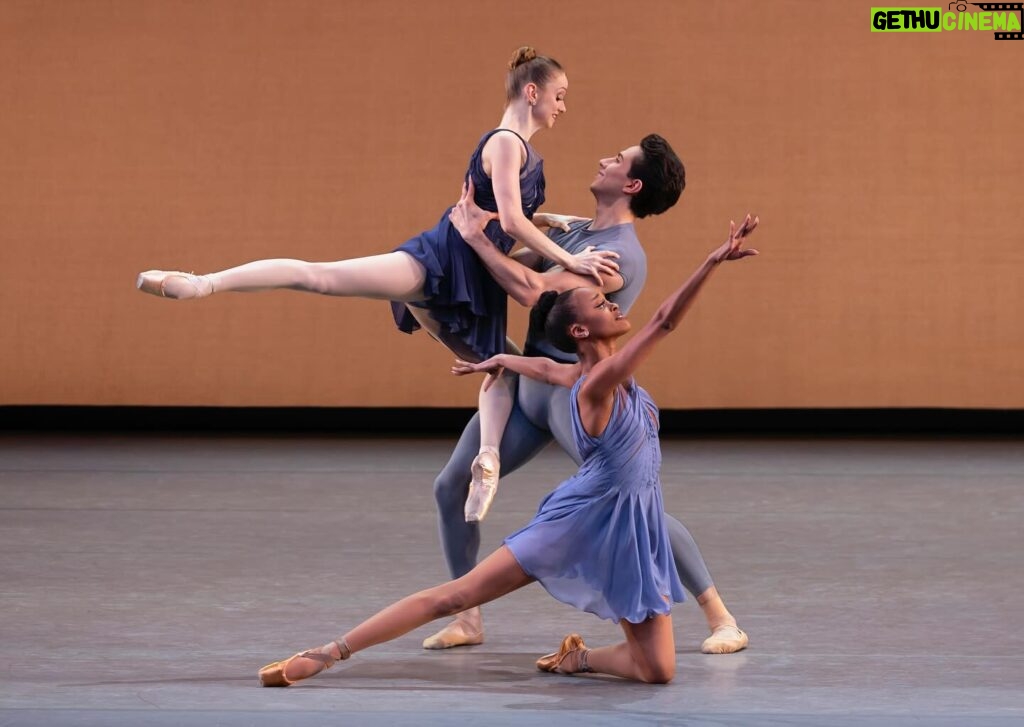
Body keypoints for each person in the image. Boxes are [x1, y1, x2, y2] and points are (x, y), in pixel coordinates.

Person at [256, 212, 759, 687]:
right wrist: (712, 261)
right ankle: (324, 654)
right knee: (456, 595)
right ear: (580, 331)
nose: (612, 302)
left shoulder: (577, 374)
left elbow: (543, 369)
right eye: (599, 304)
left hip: (630, 524)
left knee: (658, 670)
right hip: (579, 519)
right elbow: (664, 322)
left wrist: (498, 359)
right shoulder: (599, 382)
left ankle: (577, 658)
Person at [134, 47, 617, 511]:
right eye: (560, 95)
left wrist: (550, 220)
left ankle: (487, 458)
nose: (563, 106)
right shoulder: (507, 144)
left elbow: (498, 219)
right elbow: (510, 223)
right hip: (449, 266)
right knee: (330, 281)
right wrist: (572, 262)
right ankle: (203, 284)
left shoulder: (517, 150)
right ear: (531, 92)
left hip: (460, 276)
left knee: (496, 365)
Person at [423, 137, 748, 655]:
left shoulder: (619, 253)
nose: (603, 160)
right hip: (532, 382)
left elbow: (533, 290)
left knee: (632, 503)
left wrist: (480, 241)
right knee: (450, 486)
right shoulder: (577, 233)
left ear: (632, 185)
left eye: (617, 161)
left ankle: (721, 616)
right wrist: (488, 222)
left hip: (573, 393)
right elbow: (503, 264)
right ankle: (468, 617)